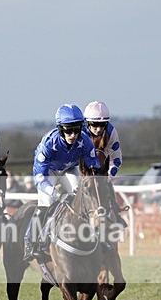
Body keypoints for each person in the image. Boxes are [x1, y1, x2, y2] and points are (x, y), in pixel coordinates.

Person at [22, 104, 101, 261]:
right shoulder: (48, 144)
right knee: (46, 202)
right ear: (60, 129)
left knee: (82, 197)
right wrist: (56, 193)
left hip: (69, 170)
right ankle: (30, 242)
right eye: (68, 130)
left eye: (77, 130)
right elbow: (39, 179)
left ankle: (90, 236)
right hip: (48, 173)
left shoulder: (85, 142)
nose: (73, 135)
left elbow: (94, 167)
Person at [83, 101, 126, 224]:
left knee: (106, 188)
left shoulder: (111, 132)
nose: (98, 129)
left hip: (100, 166)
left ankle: (116, 215)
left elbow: (116, 160)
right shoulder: (79, 132)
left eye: (102, 125)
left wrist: (108, 176)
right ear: (87, 123)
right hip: (79, 166)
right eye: (94, 125)